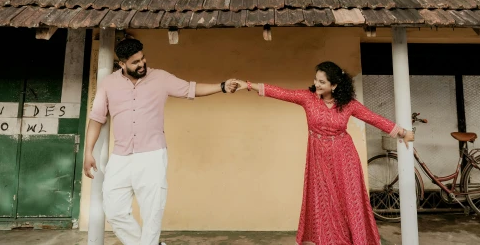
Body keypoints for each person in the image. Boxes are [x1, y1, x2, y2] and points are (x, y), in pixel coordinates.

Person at [233, 62, 414, 245]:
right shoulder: (307, 98)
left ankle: (357, 240)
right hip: (319, 160)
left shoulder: (348, 105)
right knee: (325, 203)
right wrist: (248, 85)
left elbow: (372, 117)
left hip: (345, 157)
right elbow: (281, 92)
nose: (317, 84)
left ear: (334, 85)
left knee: (350, 202)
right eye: (316, 80)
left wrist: (403, 133)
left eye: (322, 81)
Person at [83, 37, 239, 245]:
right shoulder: (109, 84)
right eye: (135, 62)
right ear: (122, 64)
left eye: (143, 58)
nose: (142, 64)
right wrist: (88, 152)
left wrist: (221, 86)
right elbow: (96, 119)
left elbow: (190, 89)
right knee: (114, 212)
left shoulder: (161, 78)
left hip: (152, 155)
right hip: (121, 157)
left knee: (151, 215)